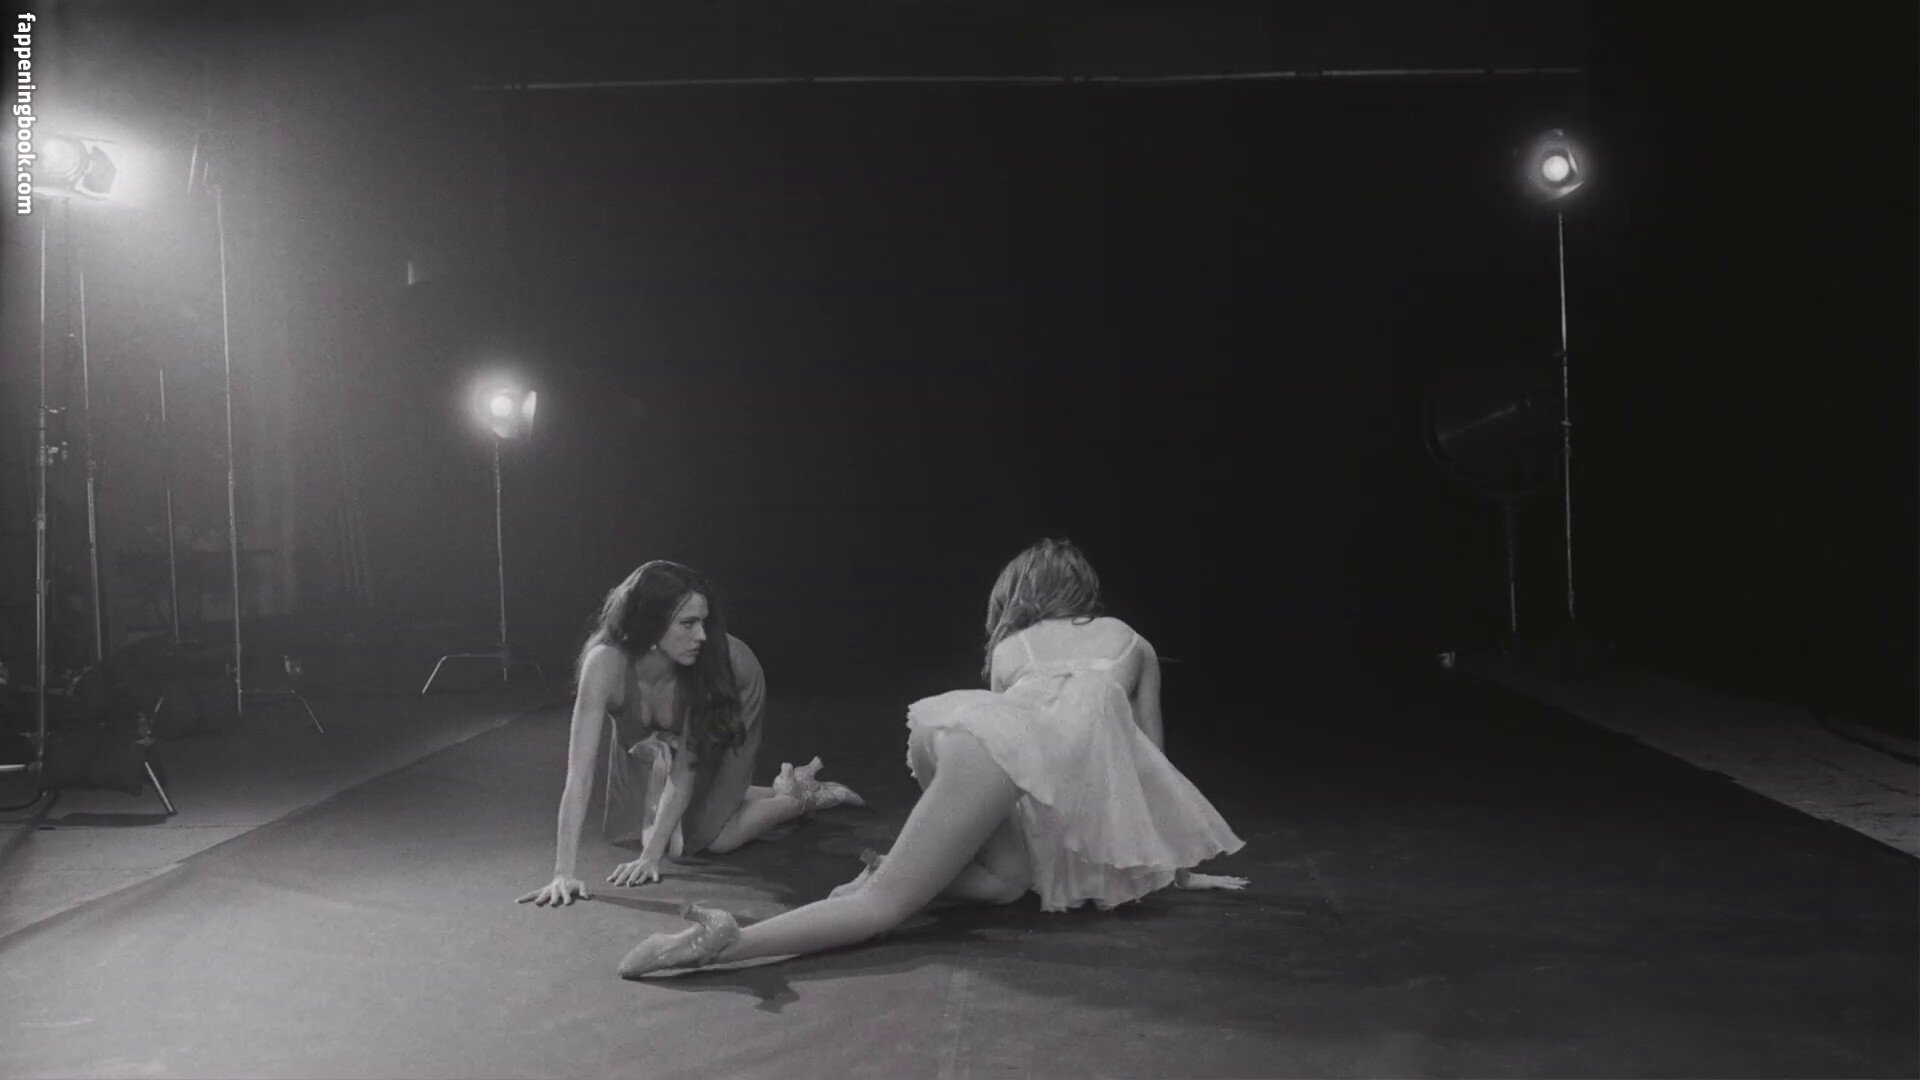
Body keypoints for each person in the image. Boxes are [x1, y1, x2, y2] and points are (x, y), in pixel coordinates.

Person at [617, 538, 1246, 976]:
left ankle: (894, 866)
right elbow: (1148, 766)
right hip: (991, 751)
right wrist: (1176, 870)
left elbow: (1033, 764)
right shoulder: (1134, 644)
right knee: (883, 909)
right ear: (1085, 589)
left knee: (1007, 883)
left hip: (964, 733)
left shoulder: (1015, 648)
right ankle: (729, 941)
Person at [518, 560, 862, 909]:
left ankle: (802, 798)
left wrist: (651, 859)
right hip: (667, 693)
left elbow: (683, 773)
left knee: (713, 839)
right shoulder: (604, 664)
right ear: (649, 622)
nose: (702, 635)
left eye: (704, 622)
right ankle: (779, 786)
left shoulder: (708, 664)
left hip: (735, 690)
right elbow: (579, 774)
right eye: (688, 623)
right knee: (645, 826)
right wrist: (563, 873)